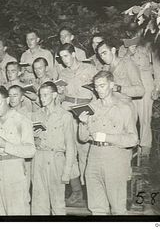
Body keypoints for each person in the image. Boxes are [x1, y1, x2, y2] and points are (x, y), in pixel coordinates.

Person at [78, 71, 138, 215]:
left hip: (115, 159)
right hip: (93, 159)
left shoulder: (124, 108)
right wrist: (83, 123)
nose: (99, 90)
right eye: (96, 86)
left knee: (117, 208)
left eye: (102, 85)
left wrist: (106, 137)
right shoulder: (92, 107)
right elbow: (82, 138)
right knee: (96, 208)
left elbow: (133, 139)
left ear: (111, 85)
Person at [0, 85, 36, 215]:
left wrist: (5, 145)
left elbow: (30, 150)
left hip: (13, 171)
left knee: (17, 212)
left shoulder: (21, 120)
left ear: (7, 100)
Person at [57, 43, 97, 206]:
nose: (64, 60)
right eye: (61, 57)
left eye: (66, 56)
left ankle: (90, 191)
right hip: (67, 111)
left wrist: (94, 112)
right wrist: (59, 95)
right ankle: (76, 191)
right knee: (69, 151)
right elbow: (59, 98)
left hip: (85, 111)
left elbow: (97, 92)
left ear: (74, 54)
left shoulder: (89, 69)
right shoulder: (62, 73)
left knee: (86, 152)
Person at [31, 81, 76, 215]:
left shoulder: (65, 116)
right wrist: (35, 140)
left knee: (57, 203)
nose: (42, 98)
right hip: (39, 159)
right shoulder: (36, 115)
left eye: (46, 95)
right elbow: (29, 139)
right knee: (38, 202)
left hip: (56, 160)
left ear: (55, 95)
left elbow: (70, 146)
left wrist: (67, 171)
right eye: (40, 95)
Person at [118, 30, 160, 164]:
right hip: (129, 84)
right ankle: (129, 149)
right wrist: (128, 53)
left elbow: (157, 69)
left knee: (145, 120)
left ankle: (145, 152)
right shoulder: (123, 48)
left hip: (146, 82)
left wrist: (157, 87)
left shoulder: (149, 46)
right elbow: (118, 67)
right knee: (128, 118)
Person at [96, 38, 145, 112]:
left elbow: (140, 90)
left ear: (113, 50)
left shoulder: (127, 64)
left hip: (124, 108)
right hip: (110, 107)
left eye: (104, 53)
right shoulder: (105, 68)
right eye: (100, 55)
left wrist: (119, 88)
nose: (102, 57)